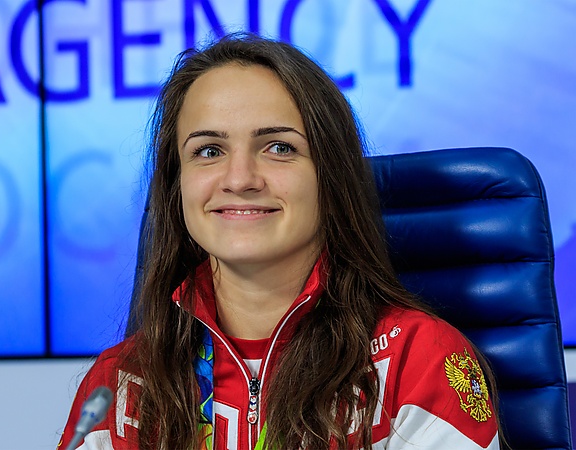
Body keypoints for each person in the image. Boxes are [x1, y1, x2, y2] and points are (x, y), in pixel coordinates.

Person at [57, 33, 501, 450]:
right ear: (177, 186)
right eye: (209, 151)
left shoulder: (417, 362)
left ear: (331, 176)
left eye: (279, 147)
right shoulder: (117, 384)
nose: (240, 179)